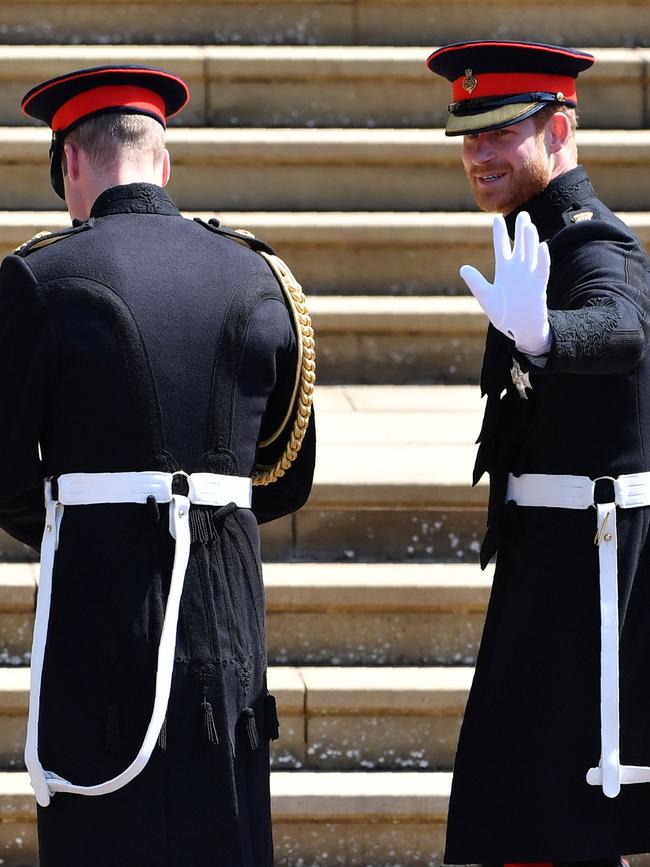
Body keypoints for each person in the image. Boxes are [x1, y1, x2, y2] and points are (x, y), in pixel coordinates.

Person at [0, 65, 316, 866]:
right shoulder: (263, 276)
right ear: (163, 161)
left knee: (103, 835)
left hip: (98, 613)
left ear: (70, 163)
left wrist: (95, 532)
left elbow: (3, 474)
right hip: (226, 622)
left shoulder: (37, 277)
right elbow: (288, 471)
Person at [427, 41, 650, 865]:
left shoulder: (593, 243)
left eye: (498, 135)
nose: (477, 154)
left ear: (559, 130)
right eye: (468, 137)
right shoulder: (533, 234)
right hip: (549, 561)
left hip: (583, 576)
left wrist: (552, 334)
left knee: (557, 818)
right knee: (526, 810)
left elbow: (621, 325)